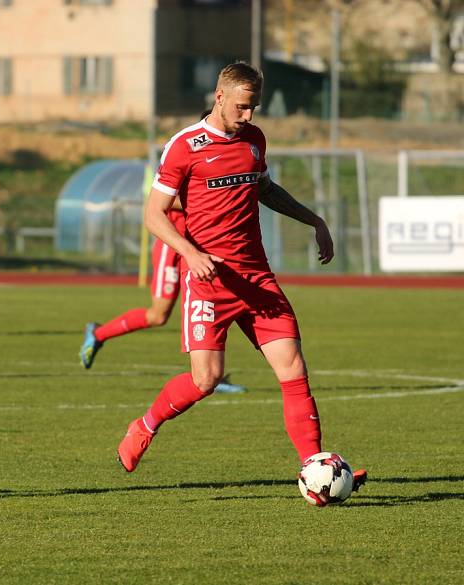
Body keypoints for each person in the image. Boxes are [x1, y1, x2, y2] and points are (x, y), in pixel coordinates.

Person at [115, 63, 366, 493]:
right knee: (205, 380)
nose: (249, 116)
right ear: (219, 97)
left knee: (293, 368)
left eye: (254, 108)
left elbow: (265, 189)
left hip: (256, 279)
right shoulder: (184, 147)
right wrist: (190, 253)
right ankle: (145, 424)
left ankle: (315, 467)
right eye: (242, 107)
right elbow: (153, 215)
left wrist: (314, 220)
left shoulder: (254, 140)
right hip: (210, 282)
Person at [79, 114, 246, 395]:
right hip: (175, 244)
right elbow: (159, 200)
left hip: (205, 244)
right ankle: (98, 334)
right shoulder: (182, 152)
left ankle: (212, 375)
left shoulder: (224, 155)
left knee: (224, 302)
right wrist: (209, 195)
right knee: (158, 315)